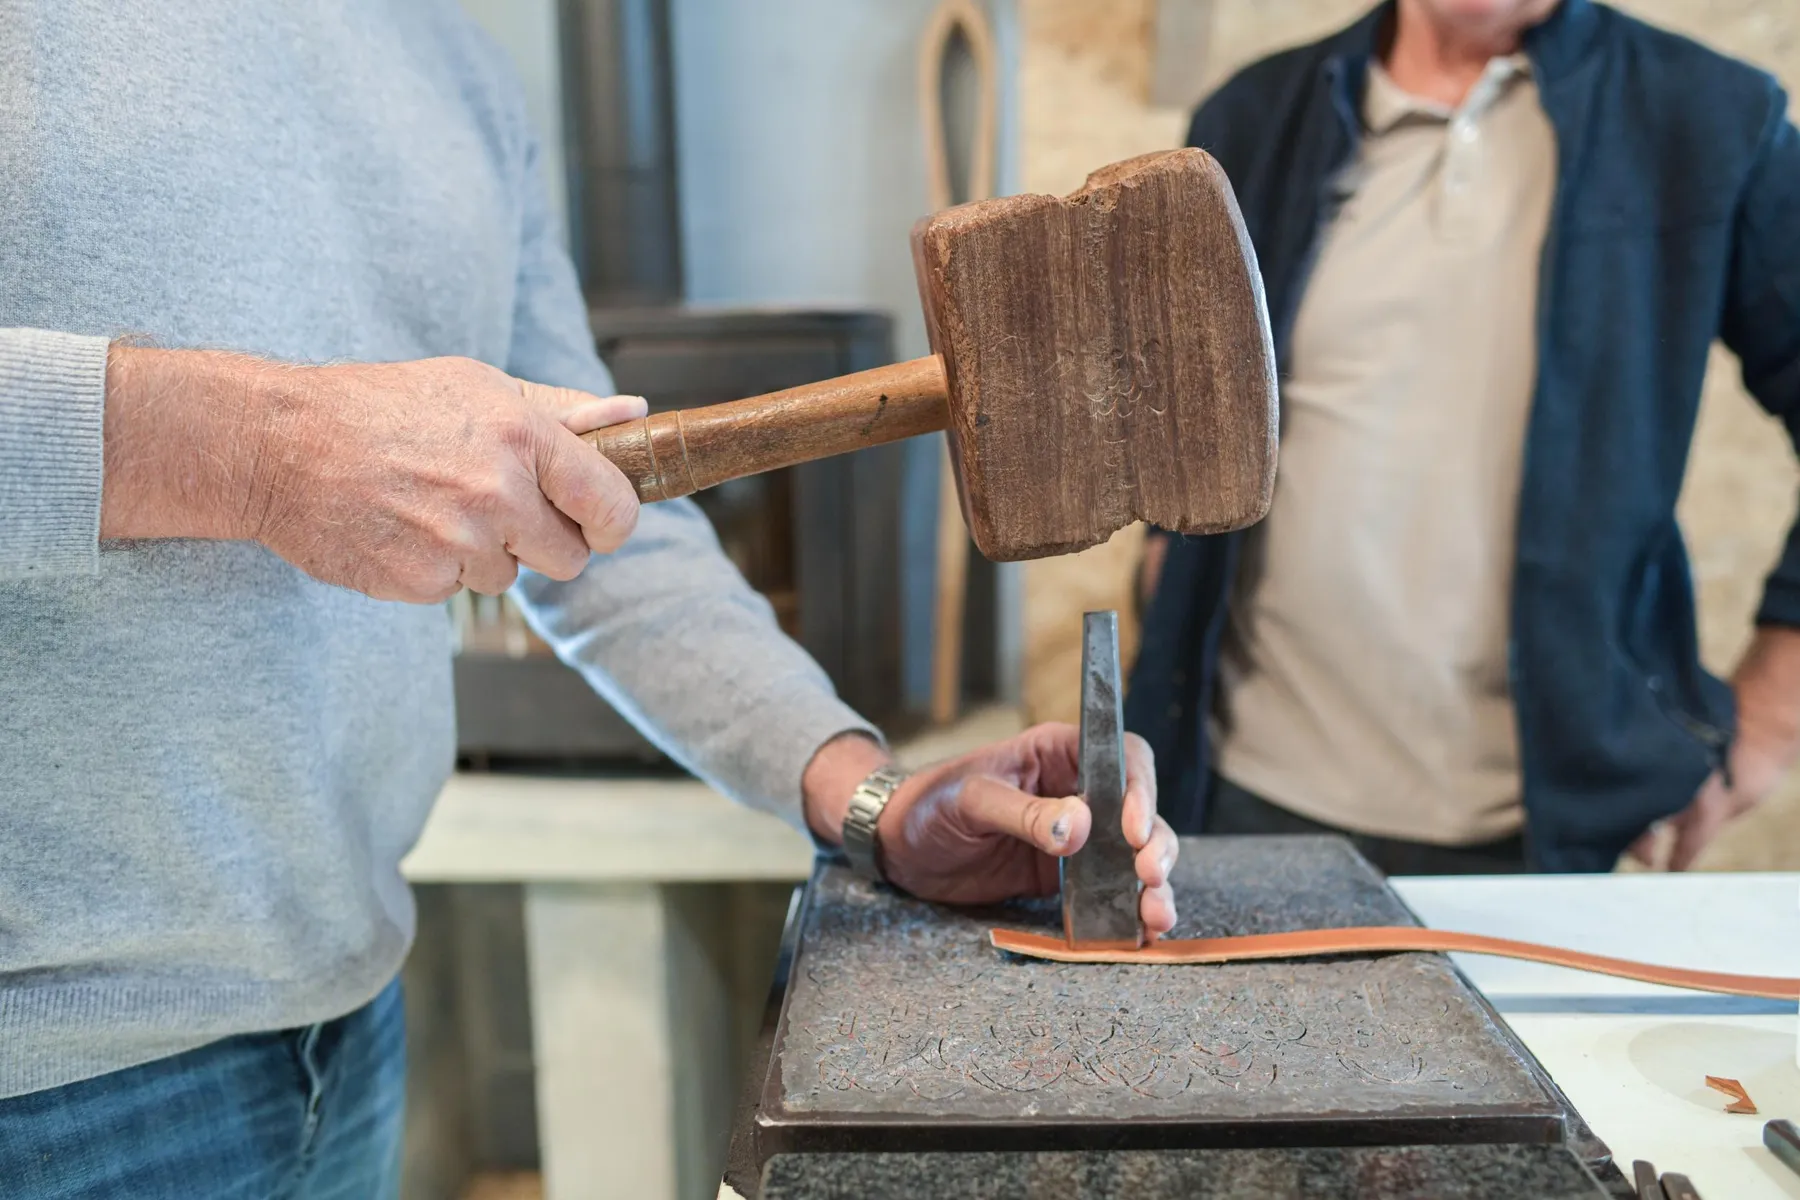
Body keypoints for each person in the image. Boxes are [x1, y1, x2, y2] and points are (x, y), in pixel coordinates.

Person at [0, 3, 1180, 1195]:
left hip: (345, 1022)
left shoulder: (451, 58)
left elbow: (601, 522)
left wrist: (867, 799)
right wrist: (261, 452)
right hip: (41, 1085)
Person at [1128, 0, 1800, 876]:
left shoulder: (1708, 117)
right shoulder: (1252, 116)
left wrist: (1772, 715)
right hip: (1236, 789)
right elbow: (1181, 400)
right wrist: (1163, 562)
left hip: (1534, 829)